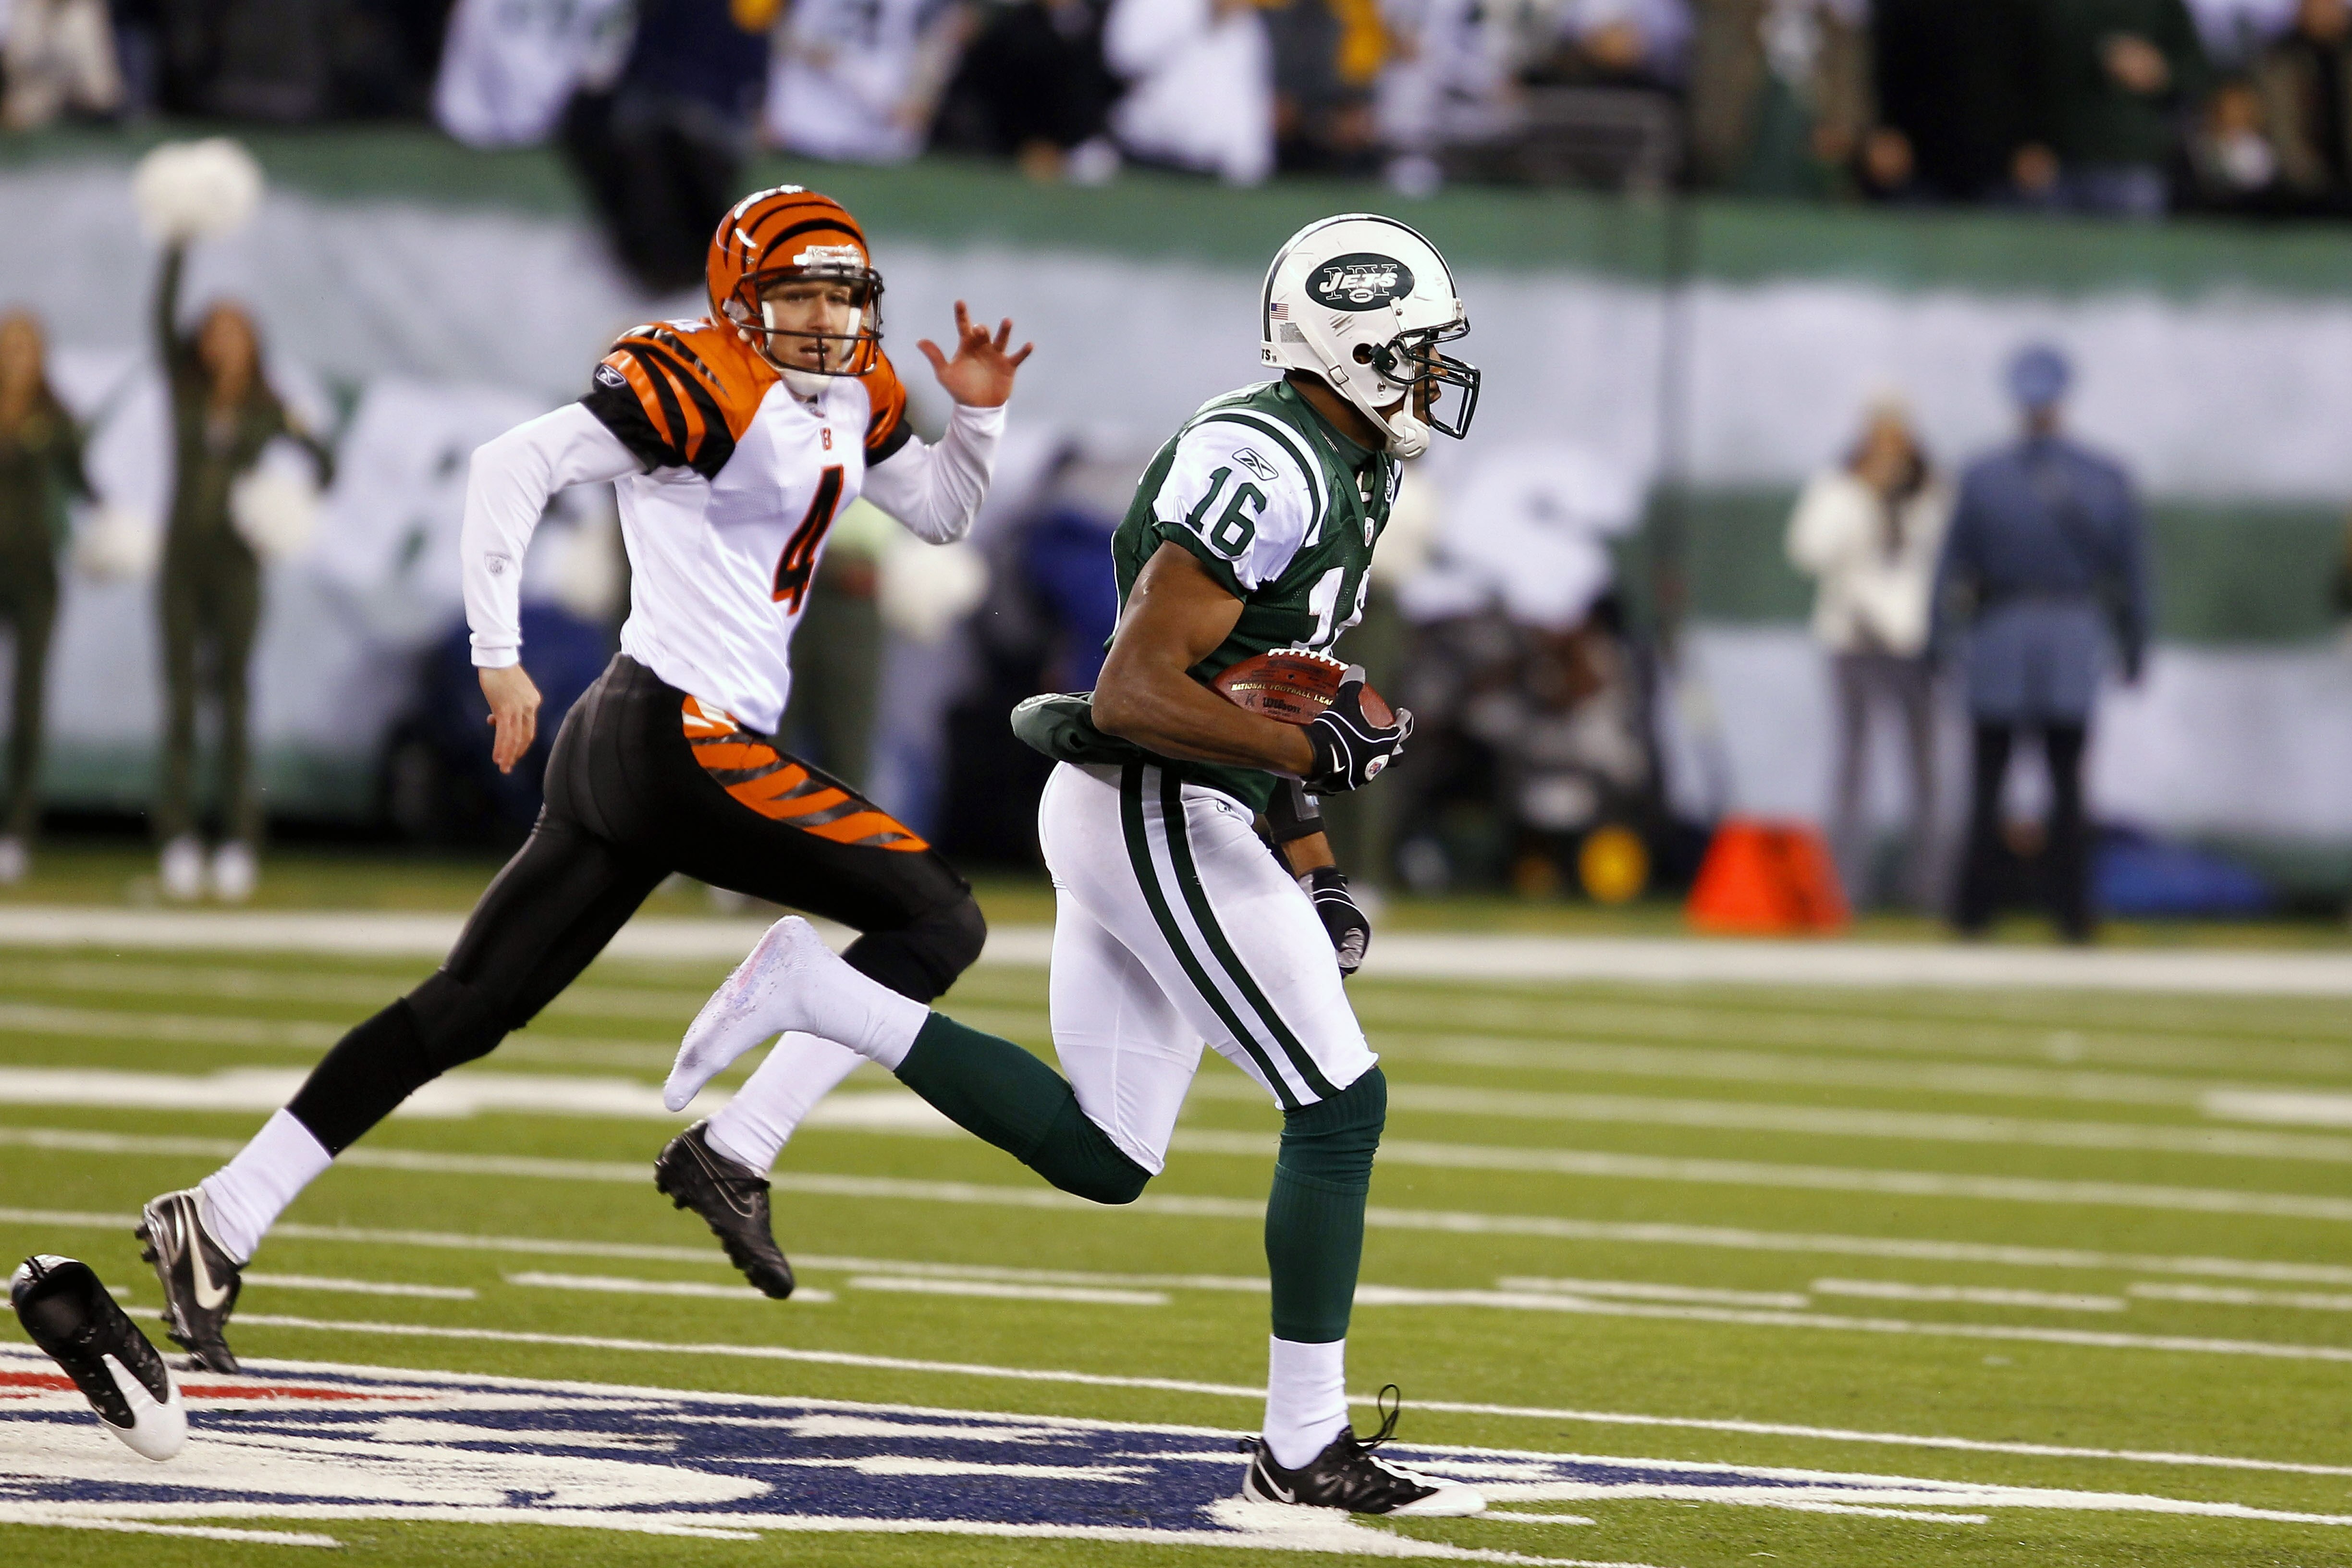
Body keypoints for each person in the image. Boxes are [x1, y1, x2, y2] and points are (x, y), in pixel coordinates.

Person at [663, 213, 1487, 1518]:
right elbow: (1136, 690)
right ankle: (1302, 1444)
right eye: (1418, 347)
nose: (1436, 372)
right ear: (1353, 346)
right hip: (1151, 800)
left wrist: (1315, 858)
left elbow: (1268, 678)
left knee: (1110, 1154)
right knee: (1339, 1102)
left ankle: (820, 991)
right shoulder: (1266, 464)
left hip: (1173, 806)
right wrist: (1301, 747)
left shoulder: (1349, 459)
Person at [135, 186, 1030, 1373]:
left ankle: (220, 1213)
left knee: (466, 1007)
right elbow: (512, 463)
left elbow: (940, 513)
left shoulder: (856, 389)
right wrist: (496, 653)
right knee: (941, 919)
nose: (824, 319)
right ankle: (741, 1145)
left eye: (840, 295)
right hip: (680, 738)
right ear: (739, 299)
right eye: (797, 295)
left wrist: (978, 417)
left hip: (645, 740)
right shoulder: (699, 379)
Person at [1935, 345, 2149, 943]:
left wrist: (1939, 638)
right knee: (2067, 788)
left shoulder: (1983, 475)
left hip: (1999, 636)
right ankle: (2071, 914)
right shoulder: (2104, 476)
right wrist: (2136, 643)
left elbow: (1949, 568)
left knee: (1989, 785)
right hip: (2071, 637)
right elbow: (2134, 575)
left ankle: (1974, 912)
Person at [151, 242, 334, 905]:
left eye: (236, 333)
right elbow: (160, 318)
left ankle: (238, 841)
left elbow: (326, 463)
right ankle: (177, 839)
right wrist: (178, 239)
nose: (224, 343)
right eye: (214, 331)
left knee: (232, 699)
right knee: (179, 701)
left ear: (253, 344)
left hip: (237, 567)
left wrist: (286, 505)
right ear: (201, 342)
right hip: (181, 563)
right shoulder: (185, 391)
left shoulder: (270, 405)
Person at [1785, 396, 1951, 910]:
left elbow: (1947, 555)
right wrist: (1863, 496)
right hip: (1854, 638)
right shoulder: (1840, 485)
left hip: (1915, 640)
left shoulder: (1933, 487)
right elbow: (1808, 551)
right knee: (1852, 769)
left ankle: (1930, 887)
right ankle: (1843, 888)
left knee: (1927, 771)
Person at [0, 312, 90, 885]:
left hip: (35, 575)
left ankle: (17, 830)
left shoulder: (57, 418)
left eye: (26, 346)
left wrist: (112, 525)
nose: (17, 357)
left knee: (27, 703)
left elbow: (85, 483)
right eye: (9, 345)